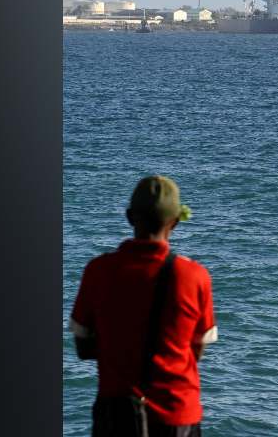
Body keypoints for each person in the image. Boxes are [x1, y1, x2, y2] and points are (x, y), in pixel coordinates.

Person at [70, 175, 218, 437]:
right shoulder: (194, 276)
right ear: (175, 222)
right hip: (177, 415)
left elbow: (83, 347)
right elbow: (196, 350)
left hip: (116, 412)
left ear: (129, 217)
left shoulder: (99, 270)